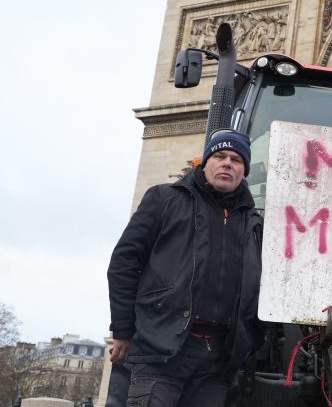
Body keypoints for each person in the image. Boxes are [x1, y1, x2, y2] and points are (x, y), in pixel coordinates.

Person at [107, 129, 263, 406]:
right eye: (220, 156)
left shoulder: (253, 222)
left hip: (217, 360)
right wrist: (122, 330)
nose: (227, 163)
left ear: (244, 171)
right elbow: (124, 263)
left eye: (236, 160)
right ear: (205, 163)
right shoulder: (164, 199)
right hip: (162, 350)